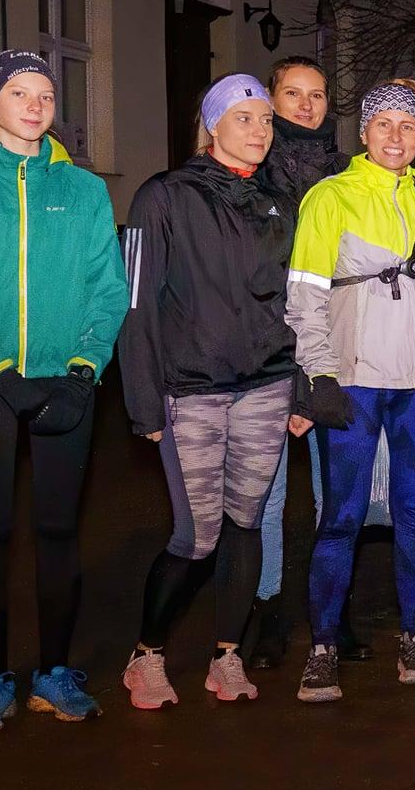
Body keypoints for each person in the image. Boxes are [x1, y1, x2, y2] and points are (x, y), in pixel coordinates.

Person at [0, 50, 126, 733]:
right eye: (18, 92)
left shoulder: (84, 191)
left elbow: (108, 291)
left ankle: (55, 674)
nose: (35, 105)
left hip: (66, 382)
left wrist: (83, 371)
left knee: (59, 529)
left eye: (46, 94)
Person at [118, 74, 299, 709]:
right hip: (190, 390)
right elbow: (136, 303)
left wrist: (301, 389)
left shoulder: (278, 203)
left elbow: (295, 303)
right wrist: (143, 400)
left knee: (245, 523)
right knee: (195, 535)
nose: (260, 130)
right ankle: (147, 654)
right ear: (212, 125)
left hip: (266, 385)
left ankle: (227, 656)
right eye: (244, 118)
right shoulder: (163, 196)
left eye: (266, 120)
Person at [285, 78, 415, 703]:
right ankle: (323, 646)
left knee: (413, 513)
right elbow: (304, 297)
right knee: (342, 516)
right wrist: (318, 375)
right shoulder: (330, 196)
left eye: (408, 126)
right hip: (354, 378)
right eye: (384, 124)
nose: (395, 136)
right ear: (363, 133)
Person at [248, 55, 367, 670]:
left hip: (332, 353)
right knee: (267, 496)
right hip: (267, 354)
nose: (305, 105)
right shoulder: (252, 170)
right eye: (292, 93)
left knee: (333, 491)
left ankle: (331, 609)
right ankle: (266, 611)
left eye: (316, 95)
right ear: (271, 100)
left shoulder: (347, 173)